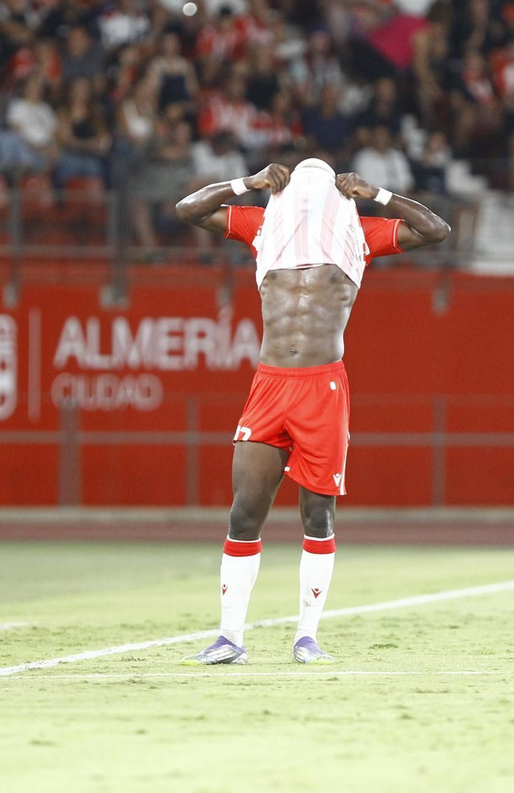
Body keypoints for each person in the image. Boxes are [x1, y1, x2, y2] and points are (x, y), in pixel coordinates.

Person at [175, 158, 450, 665]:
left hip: (322, 387)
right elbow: (187, 209)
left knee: (318, 515)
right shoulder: (264, 224)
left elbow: (436, 230)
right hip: (270, 383)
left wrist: (377, 194)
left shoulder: (357, 232)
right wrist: (247, 183)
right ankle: (230, 637)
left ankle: (307, 637)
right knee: (244, 512)